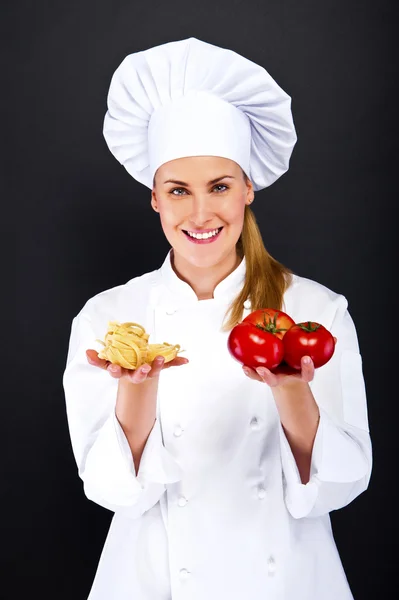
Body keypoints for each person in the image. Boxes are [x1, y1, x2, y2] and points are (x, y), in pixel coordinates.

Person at [62, 37, 372, 600]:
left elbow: (340, 485)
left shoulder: (313, 312)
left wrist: (291, 391)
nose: (200, 213)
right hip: (151, 579)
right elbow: (112, 492)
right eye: (178, 190)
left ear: (248, 189)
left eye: (220, 187)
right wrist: (139, 390)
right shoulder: (108, 318)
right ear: (154, 197)